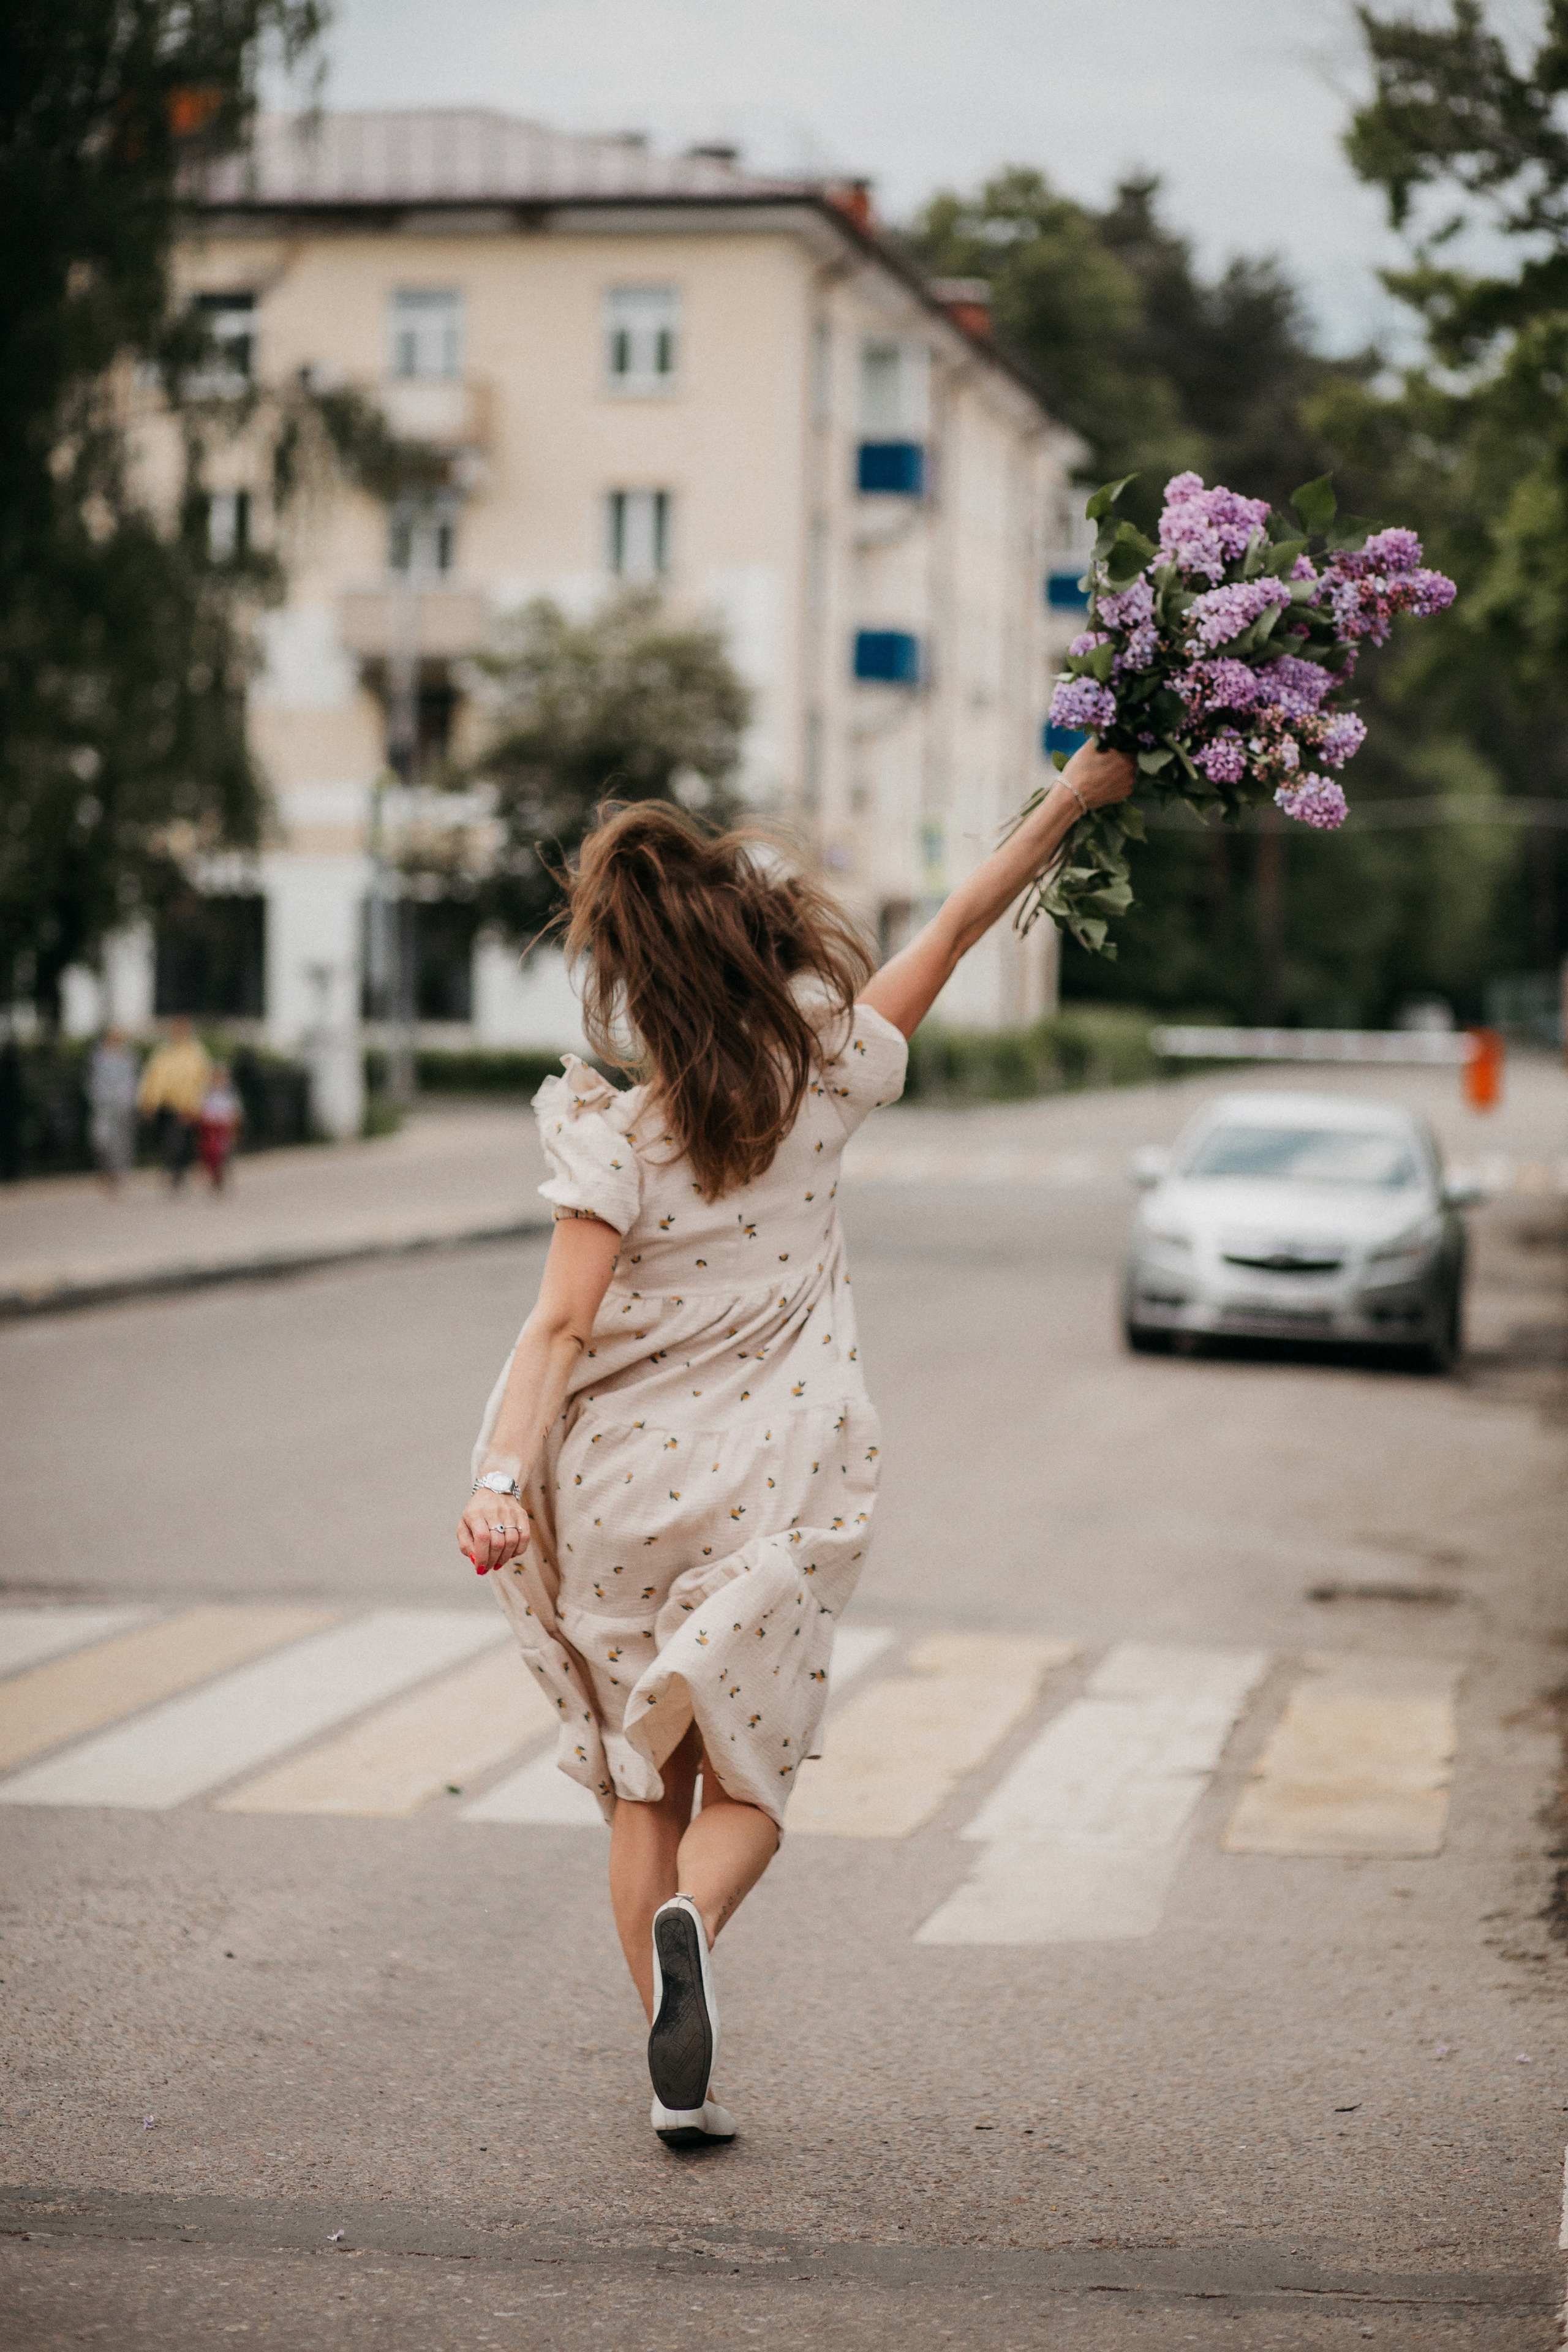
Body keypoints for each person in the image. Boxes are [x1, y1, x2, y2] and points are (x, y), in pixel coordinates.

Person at [457, 743, 1135, 2149]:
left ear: (638, 988)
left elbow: (552, 1332)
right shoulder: (824, 1074)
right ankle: (699, 1922)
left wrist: (498, 1478)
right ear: (758, 958)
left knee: (639, 1779)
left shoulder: (617, 1141)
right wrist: (1072, 795)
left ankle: (673, 2065)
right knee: (746, 1777)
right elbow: (956, 921)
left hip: (614, 1485)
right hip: (768, 1476)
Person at [135, 1019, 211, 1190]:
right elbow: (153, 1078)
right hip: (168, 1105)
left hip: (188, 1107)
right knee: (172, 1141)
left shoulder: (196, 1053)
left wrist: (196, 1105)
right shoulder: (164, 1053)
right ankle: (175, 1171)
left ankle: (179, 1172)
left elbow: (202, 1081)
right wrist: (149, 1101)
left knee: (181, 1141)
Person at [87, 1027, 139, 1190]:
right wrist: (98, 1098)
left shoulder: (129, 1056)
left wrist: (128, 1100)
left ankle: (119, 1173)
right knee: (101, 1140)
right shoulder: (98, 1056)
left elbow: (133, 1080)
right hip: (103, 1105)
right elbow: (92, 1080)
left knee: (123, 1141)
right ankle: (106, 1170)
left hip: (123, 1106)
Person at [197, 1064, 243, 1189]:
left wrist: (235, 1126)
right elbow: (202, 1110)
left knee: (224, 1153)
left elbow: (236, 1111)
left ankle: (223, 1177)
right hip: (211, 1128)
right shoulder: (207, 1093)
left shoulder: (230, 1093)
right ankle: (214, 1178)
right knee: (211, 1153)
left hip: (224, 1128)